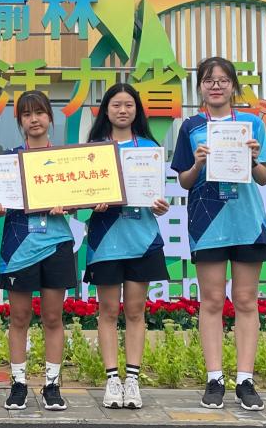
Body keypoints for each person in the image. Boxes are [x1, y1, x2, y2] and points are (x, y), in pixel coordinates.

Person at [170, 57, 266, 411]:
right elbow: (184, 182)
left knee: (246, 301)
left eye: (223, 80)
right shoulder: (190, 126)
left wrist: (255, 159)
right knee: (212, 300)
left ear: (233, 86)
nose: (216, 86)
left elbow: (264, 178)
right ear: (200, 87)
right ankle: (214, 378)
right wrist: (198, 163)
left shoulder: (252, 123)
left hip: (247, 223)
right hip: (207, 226)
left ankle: (245, 379)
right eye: (208, 80)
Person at [85, 84, 169, 409]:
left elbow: (157, 196)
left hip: (142, 239)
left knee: (135, 311)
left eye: (129, 105)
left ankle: (132, 380)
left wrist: (159, 206)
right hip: (105, 242)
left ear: (137, 110)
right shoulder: (92, 150)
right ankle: (112, 380)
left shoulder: (150, 148)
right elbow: (79, 198)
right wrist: (91, 202)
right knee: (107, 311)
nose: (123, 110)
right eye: (116, 105)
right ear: (106, 110)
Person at [0, 91, 76, 411]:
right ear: (20, 122)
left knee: (53, 317)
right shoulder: (8, 161)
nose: (34, 119)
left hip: (55, 244)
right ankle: (18, 384)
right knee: (19, 317)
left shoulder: (66, 159)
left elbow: (80, 199)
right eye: (27, 115)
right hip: (18, 247)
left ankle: (52, 385)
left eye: (39, 112)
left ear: (50, 118)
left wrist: (68, 204)